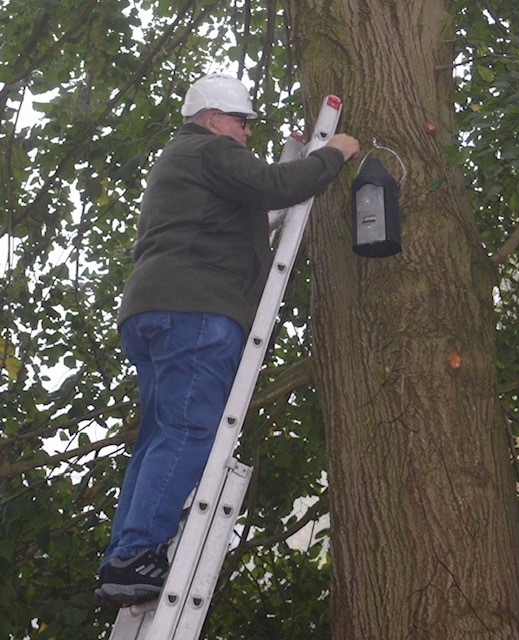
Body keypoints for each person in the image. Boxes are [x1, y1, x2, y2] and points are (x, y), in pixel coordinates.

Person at [94, 73, 359, 609]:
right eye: (241, 122)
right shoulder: (209, 150)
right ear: (214, 118)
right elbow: (276, 188)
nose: (245, 134)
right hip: (196, 309)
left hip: (155, 310)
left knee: (158, 437)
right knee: (189, 428)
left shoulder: (185, 165)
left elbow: (260, 206)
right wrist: (332, 153)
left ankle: (126, 556)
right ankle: (137, 551)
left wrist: (286, 166)